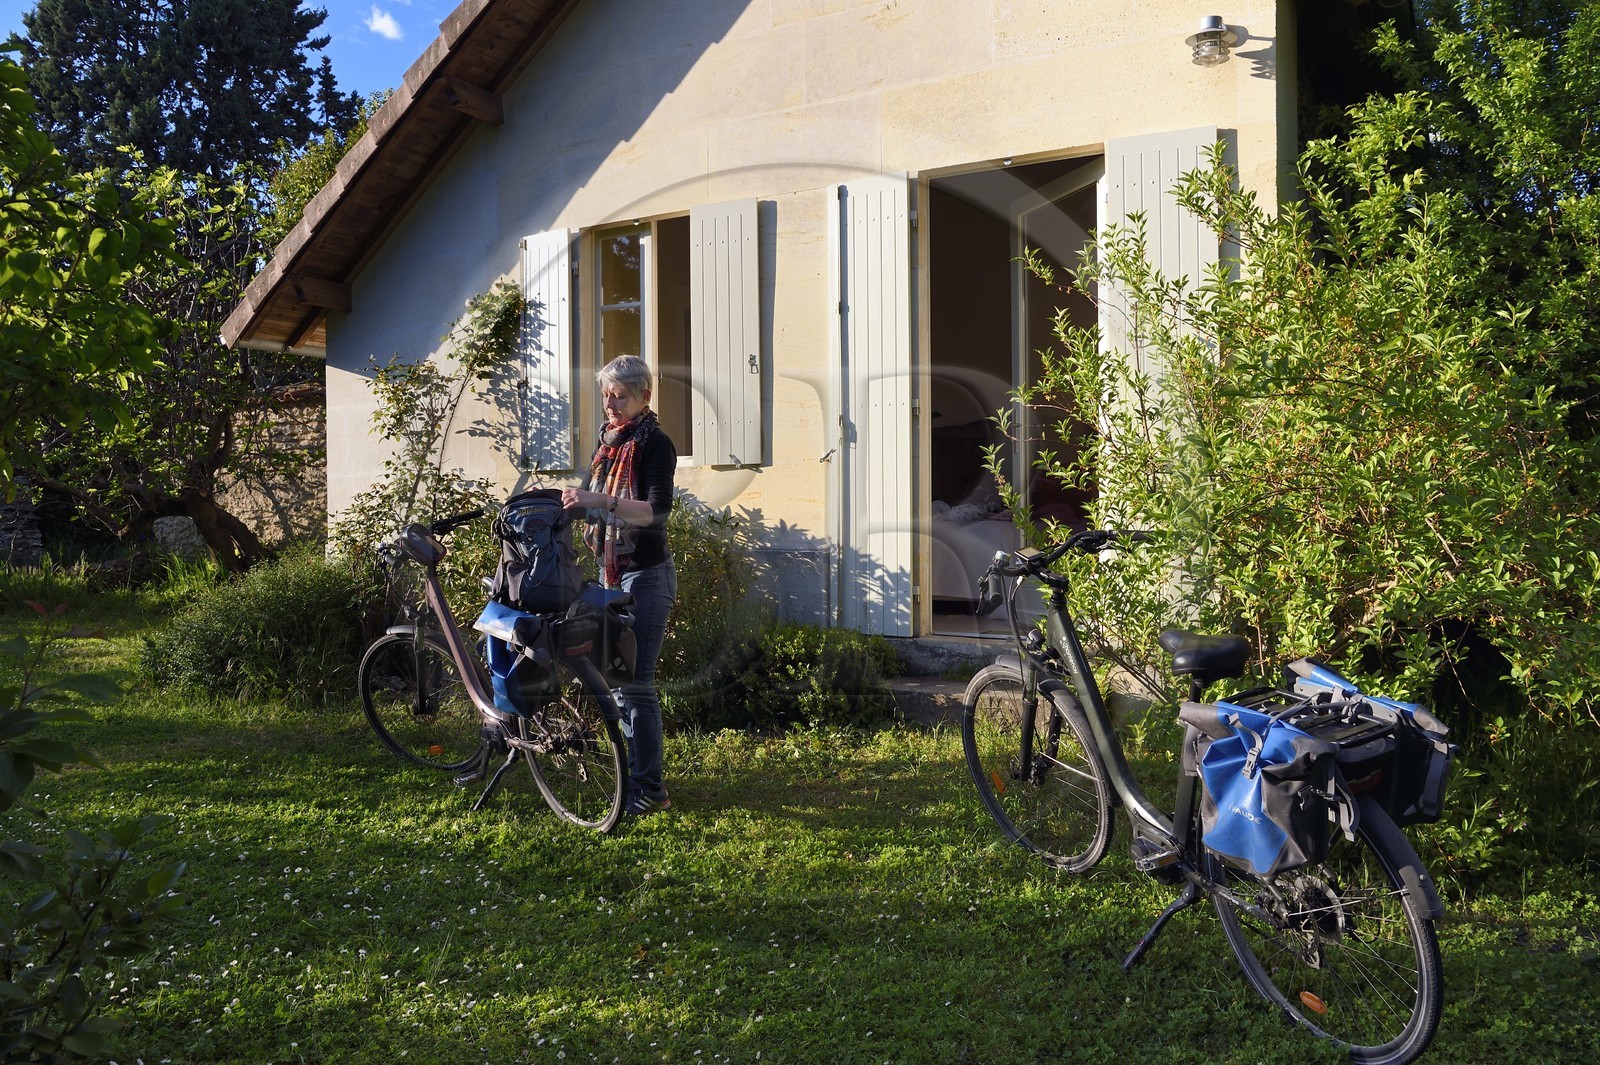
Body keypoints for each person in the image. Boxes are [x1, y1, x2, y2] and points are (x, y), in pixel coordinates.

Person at [561, 355, 677, 816]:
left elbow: (655, 512)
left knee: (637, 685)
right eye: (606, 394)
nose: (610, 403)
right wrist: (559, 501)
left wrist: (602, 501)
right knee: (617, 679)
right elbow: (586, 499)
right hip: (612, 575)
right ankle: (633, 780)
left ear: (644, 397)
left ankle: (649, 791)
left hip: (646, 576)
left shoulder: (655, 444)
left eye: (620, 396)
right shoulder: (609, 444)